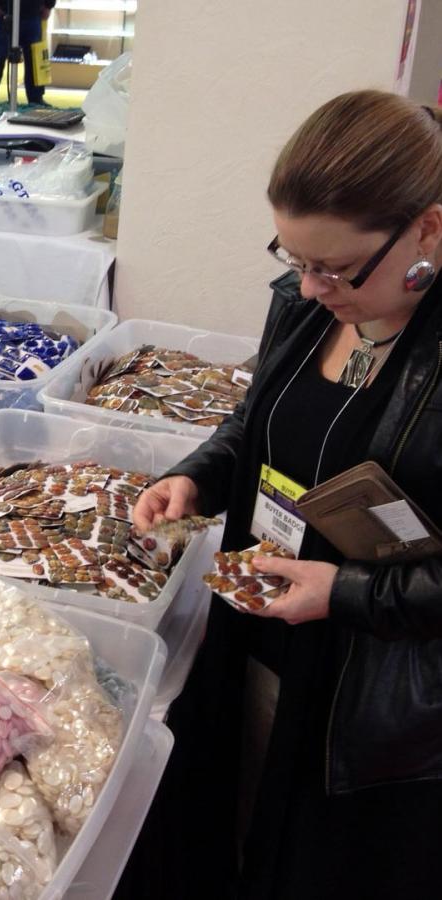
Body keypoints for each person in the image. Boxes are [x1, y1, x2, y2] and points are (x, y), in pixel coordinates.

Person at [128, 90, 442, 900]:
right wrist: (195, 475)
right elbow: (258, 418)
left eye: (335, 268)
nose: (308, 289)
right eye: (294, 260)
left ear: (428, 230)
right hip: (258, 631)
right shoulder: (306, 308)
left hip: (366, 700)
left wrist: (346, 593)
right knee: (231, 826)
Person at [0, 0, 54, 104]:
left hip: (32, 14)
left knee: (34, 60)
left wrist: (49, 5)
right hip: (3, 15)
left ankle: (36, 99)